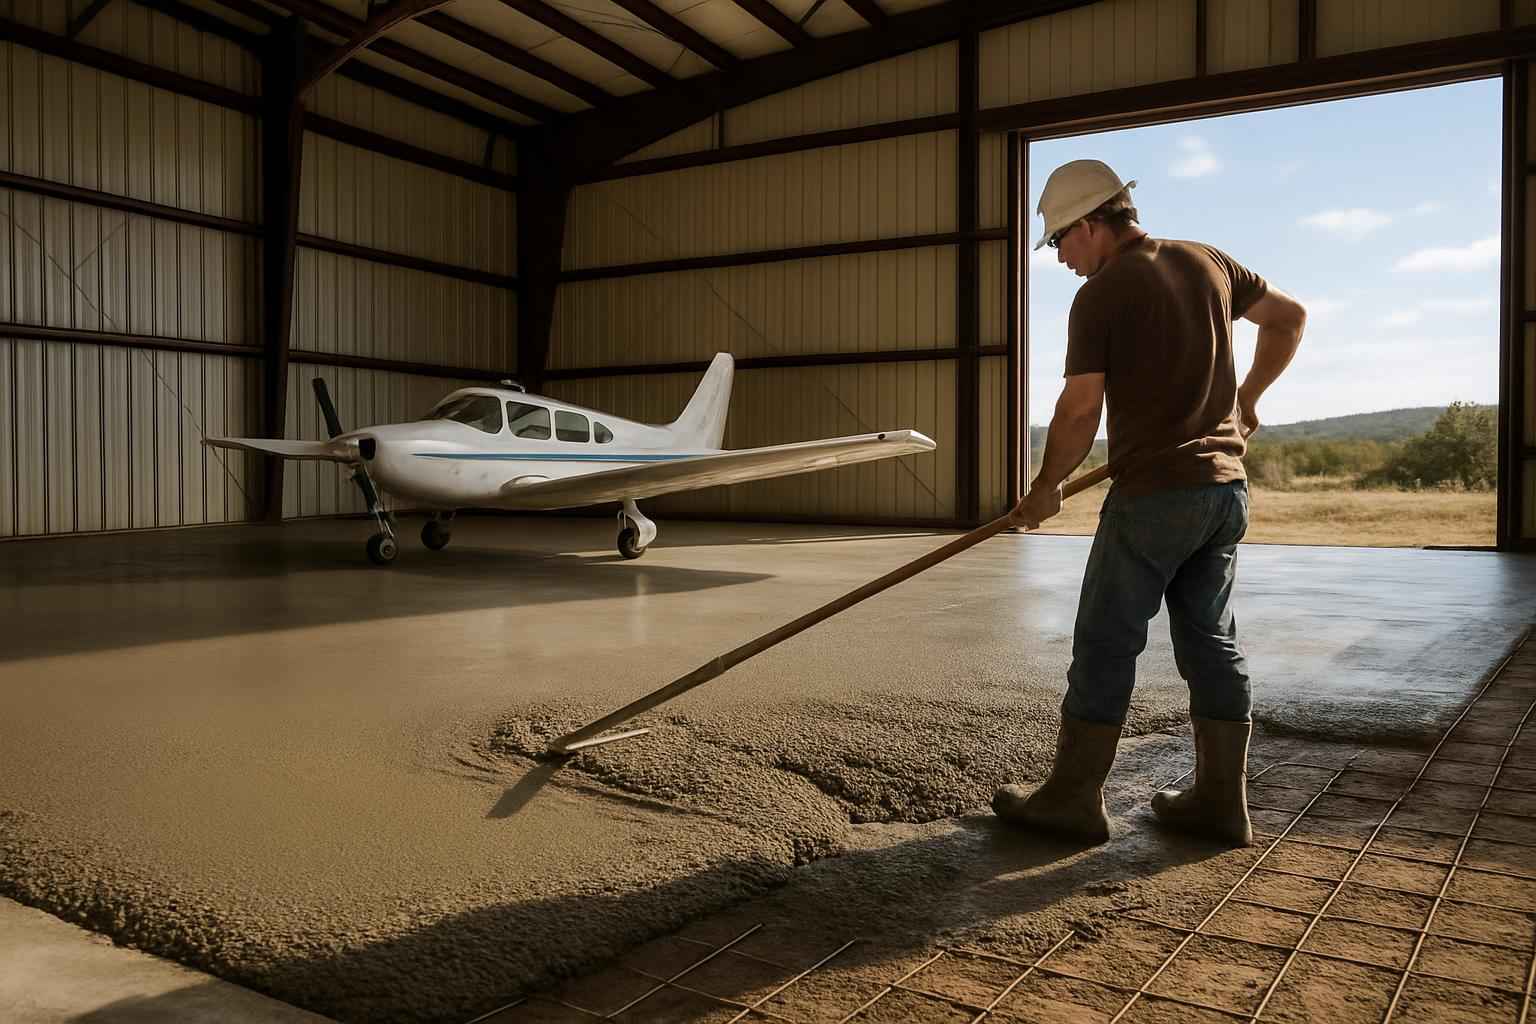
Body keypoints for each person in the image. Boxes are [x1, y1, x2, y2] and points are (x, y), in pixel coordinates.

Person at [991, 159, 1307, 847]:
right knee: (1212, 643)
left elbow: (1079, 409)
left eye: (1061, 243)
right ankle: (1221, 805)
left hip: (1155, 498)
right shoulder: (1210, 262)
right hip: (1224, 494)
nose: (1063, 259)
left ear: (1091, 225)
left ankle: (1074, 800)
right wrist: (1248, 399)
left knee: (1106, 643)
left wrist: (1044, 490)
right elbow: (1290, 318)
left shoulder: (1103, 294)